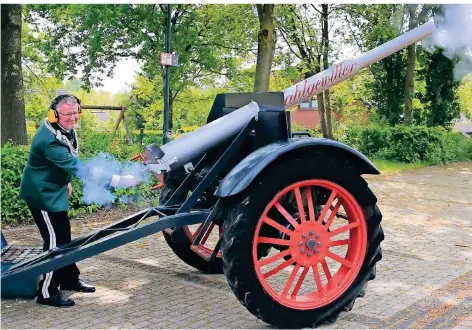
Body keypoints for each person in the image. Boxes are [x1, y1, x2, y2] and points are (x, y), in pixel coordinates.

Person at [19, 94, 141, 307]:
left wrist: (65, 180)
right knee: (55, 245)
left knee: (64, 237)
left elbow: (67, 161)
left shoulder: (62, 128)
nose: (73, 118)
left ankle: (69, 279)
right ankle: (46, 293)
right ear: (54, 114)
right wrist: (120, 180)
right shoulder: (49, 141)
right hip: (42, 195)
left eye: (76, 113)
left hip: (53, 188)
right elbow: (81, 169)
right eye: (68, 114)